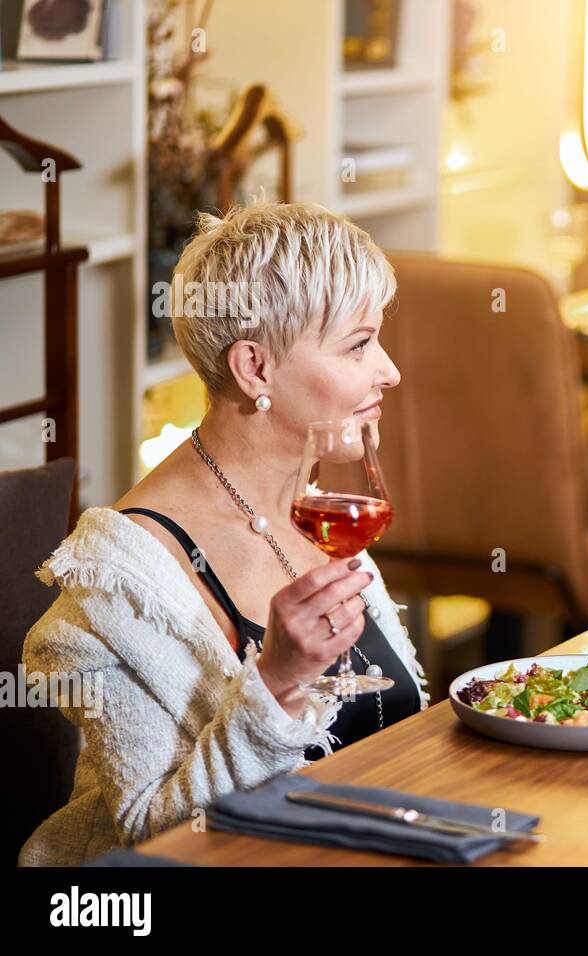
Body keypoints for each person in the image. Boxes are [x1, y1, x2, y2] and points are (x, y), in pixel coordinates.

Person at [19, 200, 428, 866]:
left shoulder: (314, 513)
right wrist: (275, 684)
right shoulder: (122, 578)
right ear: (254, 369)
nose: (390, 370)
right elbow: (153, 835)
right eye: (359, 345)